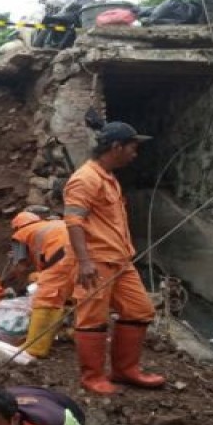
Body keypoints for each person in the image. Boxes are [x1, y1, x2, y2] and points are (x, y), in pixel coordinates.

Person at [63, 121, 166, 394]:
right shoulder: (85, 179)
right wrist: (84, 262)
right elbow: (73, 222)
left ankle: (124, 370)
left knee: (139, 310)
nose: (135, 153)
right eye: (132, 147)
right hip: (96, 262)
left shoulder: (107, 177)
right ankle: (92, 377)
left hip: (120, 261)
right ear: (116, 147)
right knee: (92, 319)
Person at [3, 211, 78, 358]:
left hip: (63, 257)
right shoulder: (51, 225)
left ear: (17, 226)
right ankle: (74, 333)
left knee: (47, 299)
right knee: (75, 295)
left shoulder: (21, 234)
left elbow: (21, 266)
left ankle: (35, 348)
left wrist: (8, 280)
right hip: (88, 253)